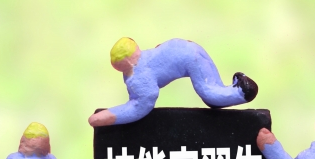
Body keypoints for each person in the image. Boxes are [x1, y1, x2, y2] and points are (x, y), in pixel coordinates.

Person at [88, 37, 258, 127]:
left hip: (189, 58)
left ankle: (243, 91)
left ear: (126, 62)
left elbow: (142, 106)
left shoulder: (140, 76)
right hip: (188, 48)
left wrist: (108, 117)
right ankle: (236, 85)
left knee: (208, 92)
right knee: (213, 87)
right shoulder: (141, 62)